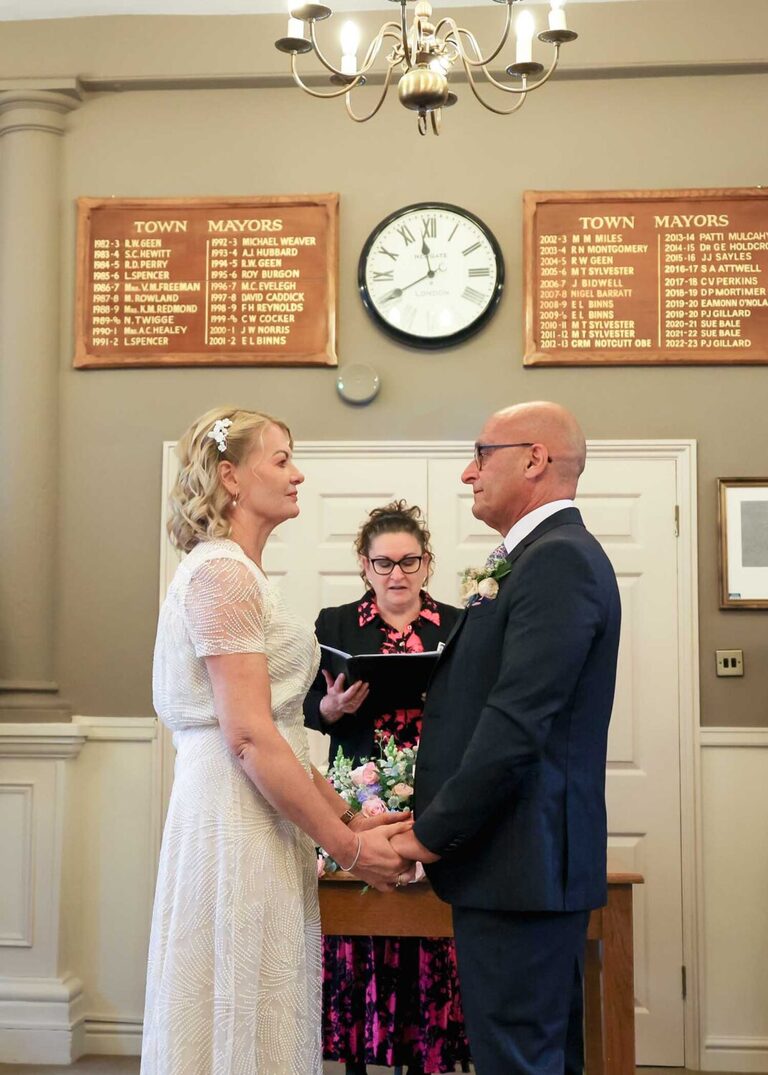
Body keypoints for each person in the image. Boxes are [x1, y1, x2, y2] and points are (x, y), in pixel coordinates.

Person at [141, 408, 411, 1075]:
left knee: (267, 1000)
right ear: (230, 477)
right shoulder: (222, 575)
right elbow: (249, 738)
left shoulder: (243, 575)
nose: (298, 473)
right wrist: (348, 848)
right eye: (282, 458)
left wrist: (351, 816)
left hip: (262, 807)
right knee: (236, 1002)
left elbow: (279, 731)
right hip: (234, 812)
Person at [392, 402, 622, 1075]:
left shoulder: (559, 562)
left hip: (522, 864)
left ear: (533, 458)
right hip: (514, 865)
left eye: (481, 453)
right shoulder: (536, 558)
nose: (468, 472)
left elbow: (518, 725)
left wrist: (429, 834)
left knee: (519, 1062)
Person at [304, 501, 470, 1075]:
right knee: (362, 920)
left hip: (435, 786)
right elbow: (306, 708)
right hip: (357, 793)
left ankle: (426, 1055)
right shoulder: (335, 622)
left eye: (409, 561)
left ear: (427, 564)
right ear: (364, 565)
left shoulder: (457, 622)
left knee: (429, 925)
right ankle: (356, 1053)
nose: (397, 574)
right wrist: (331, 704)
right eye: (383, 563)